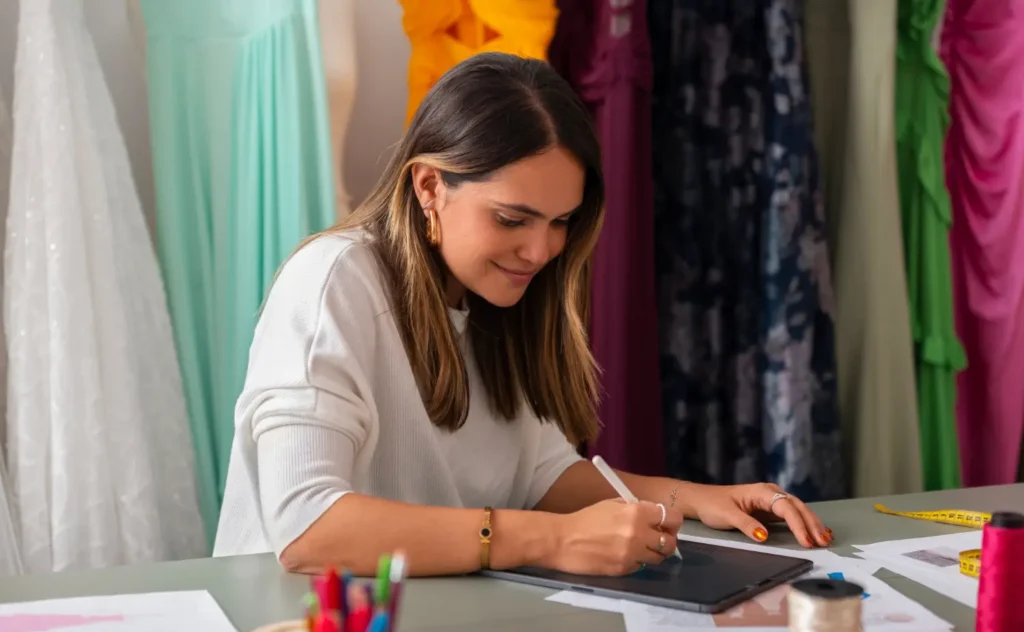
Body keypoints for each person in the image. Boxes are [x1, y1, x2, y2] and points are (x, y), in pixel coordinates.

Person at [213, 52, 833, 577]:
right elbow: (308, 529)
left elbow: (543, 476)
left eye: (561, 221)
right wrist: (551, 541)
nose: (542, 251)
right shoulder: (333, 281)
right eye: (512, 219)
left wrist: (697, 499)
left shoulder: (497, 298)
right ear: (429, 187)